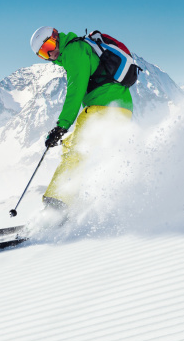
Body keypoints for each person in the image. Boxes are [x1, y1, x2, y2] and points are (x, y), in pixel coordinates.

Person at [30, 26, 134, 210]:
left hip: (102, 109)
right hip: (122, 111)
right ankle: (84, 203)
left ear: (56, 37)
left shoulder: (73, 51)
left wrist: (62, 126)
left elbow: (75, 91)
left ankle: (57, 205)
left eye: (49, 46)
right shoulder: (81, 48)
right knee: (80, 149)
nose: (51, 53)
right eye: (43, 54)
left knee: (75, 153)